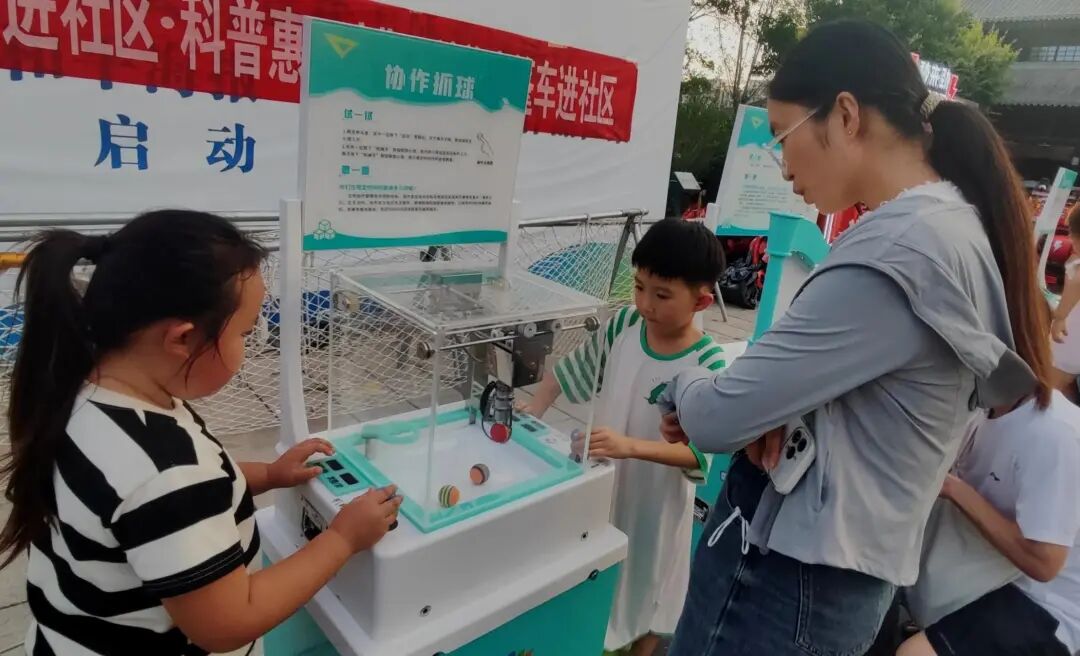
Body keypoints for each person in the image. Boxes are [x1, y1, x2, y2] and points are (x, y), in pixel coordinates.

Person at [656, 20, 1046, 655]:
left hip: (782, 583)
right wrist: (781, 410)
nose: (783, 166)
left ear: (844, 116)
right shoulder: (949, 229)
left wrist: (687, 380)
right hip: (841, 580)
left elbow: (716, 418)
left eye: (782, 136)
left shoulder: (898, 247)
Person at [0, 210, 403, 655]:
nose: (248, 348)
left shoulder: (83, 392)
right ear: (182, 339)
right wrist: (343, 538)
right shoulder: (166, 471)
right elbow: (231, 620)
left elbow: (153, 508)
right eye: (245, 333)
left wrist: (268, 474)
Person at [521, 218, 726, 656]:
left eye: (662, 295)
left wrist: (629, 447)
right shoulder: (624, 325)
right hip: (604, 481)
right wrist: (535, 407)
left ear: (701, 301)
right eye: (639, 287)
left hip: (656, 501)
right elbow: (573, 369)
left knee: (651, 583)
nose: (645, 303)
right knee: (600, 570)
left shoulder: (707, 362)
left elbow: (698, 455)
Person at [897, 386, 1080, 655]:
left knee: (914, 654)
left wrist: (955, 490)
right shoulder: (982, 405)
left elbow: (1045, 562)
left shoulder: (1055, 432)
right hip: (985, 578)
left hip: (1048, 605)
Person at [1050, 204, 1080, 401]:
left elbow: (1076, 283)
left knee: (1052, 384)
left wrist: (1059, 317)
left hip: (1072, 337)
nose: (1068, 237)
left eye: (1071, 232)